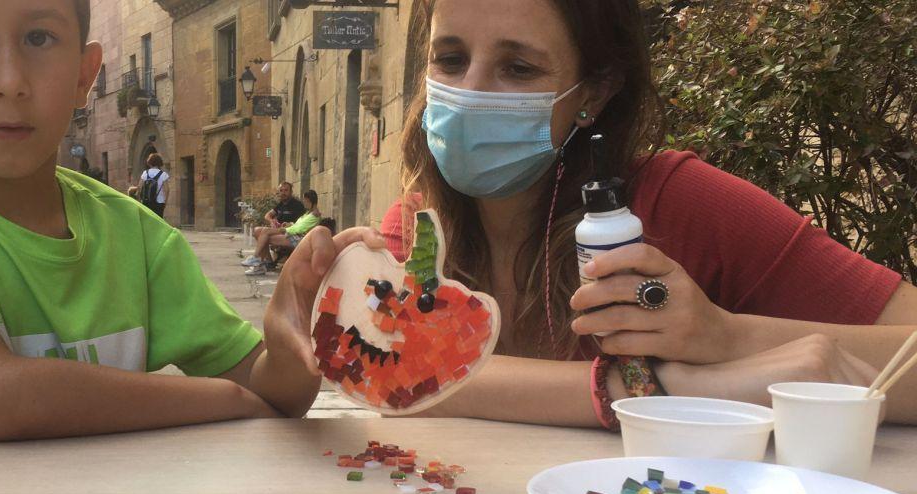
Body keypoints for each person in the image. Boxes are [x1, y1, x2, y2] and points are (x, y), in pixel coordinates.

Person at [0, 0, 381, 458]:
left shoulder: (136, 236)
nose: (9, 81)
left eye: (40, 38)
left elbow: (273, 390)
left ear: (84, 75)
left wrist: (294, 321)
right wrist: (228, 399)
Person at [379, 0, 917, 425]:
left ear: (594, 92)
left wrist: (727, 336)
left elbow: (429, 380)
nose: (470, 92)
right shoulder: (419, 227)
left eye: (518, 68)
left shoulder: (680, 203)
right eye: (450, 58)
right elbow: (398, 373)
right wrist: (666, 388)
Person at [244, 190, 323, 276]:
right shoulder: (308, 213)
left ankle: (257, 260)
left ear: (309, 200)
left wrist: (284, 229)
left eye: (304, 200)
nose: (304, 202)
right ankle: (259, 262)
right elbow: (299, 224)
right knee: (261, 232)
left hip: (299, 238)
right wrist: (289, 224)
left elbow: (300, 229)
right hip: (293, 234)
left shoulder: (314, 214)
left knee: (265, 235)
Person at [138, 153, 169, 218]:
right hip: (159, 202)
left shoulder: (145, 173)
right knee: (158, 222)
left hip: (146, 201)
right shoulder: (163, 174)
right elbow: (167, 190)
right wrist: (165, 202)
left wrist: (140, 199)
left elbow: (139, 187)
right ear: (160, 162)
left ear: (149, 162)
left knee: (147, 221)